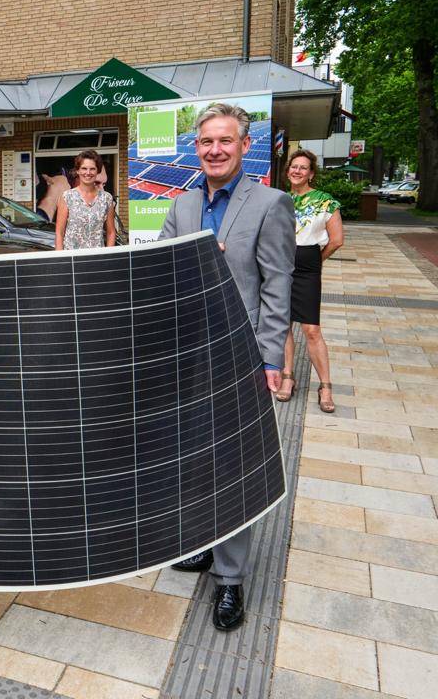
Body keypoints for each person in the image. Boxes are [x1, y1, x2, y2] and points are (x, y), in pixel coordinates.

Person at [158, 103, 295, 631]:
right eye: (206, 142)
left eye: (225, 141)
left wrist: (271, 357)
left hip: (240, 357)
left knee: (234, 467)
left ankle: (231, 579)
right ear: (196, 148)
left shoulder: (270, 203)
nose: (215, 150)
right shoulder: (183, 206)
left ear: (243, 145)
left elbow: (277, 286)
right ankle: (203, 542)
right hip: (187, 355)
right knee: (192, 458)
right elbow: (162, 273)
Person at [276, 149, 343, 412]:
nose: (297, 171)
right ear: (288, 171)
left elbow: (336, 240)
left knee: (311, 329)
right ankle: (287, 377)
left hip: (307, 268)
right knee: (284, 325)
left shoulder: (325, 201)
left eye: (303, 167)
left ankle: (325, 386)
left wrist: (316, 261)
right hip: (281, 266)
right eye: (294, 166)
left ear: (311, 173)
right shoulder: (280, 200)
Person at [54, 150, 115, 249]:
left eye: (92, 169)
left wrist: (109, 255)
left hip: (98, 255)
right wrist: (61, 257)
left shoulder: (106, 198)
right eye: (84, 168)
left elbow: (111, 232)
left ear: (97, 171)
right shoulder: (67, 197)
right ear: (77, 171)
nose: (88, 172)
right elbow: (59, 233)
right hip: (72, 256)